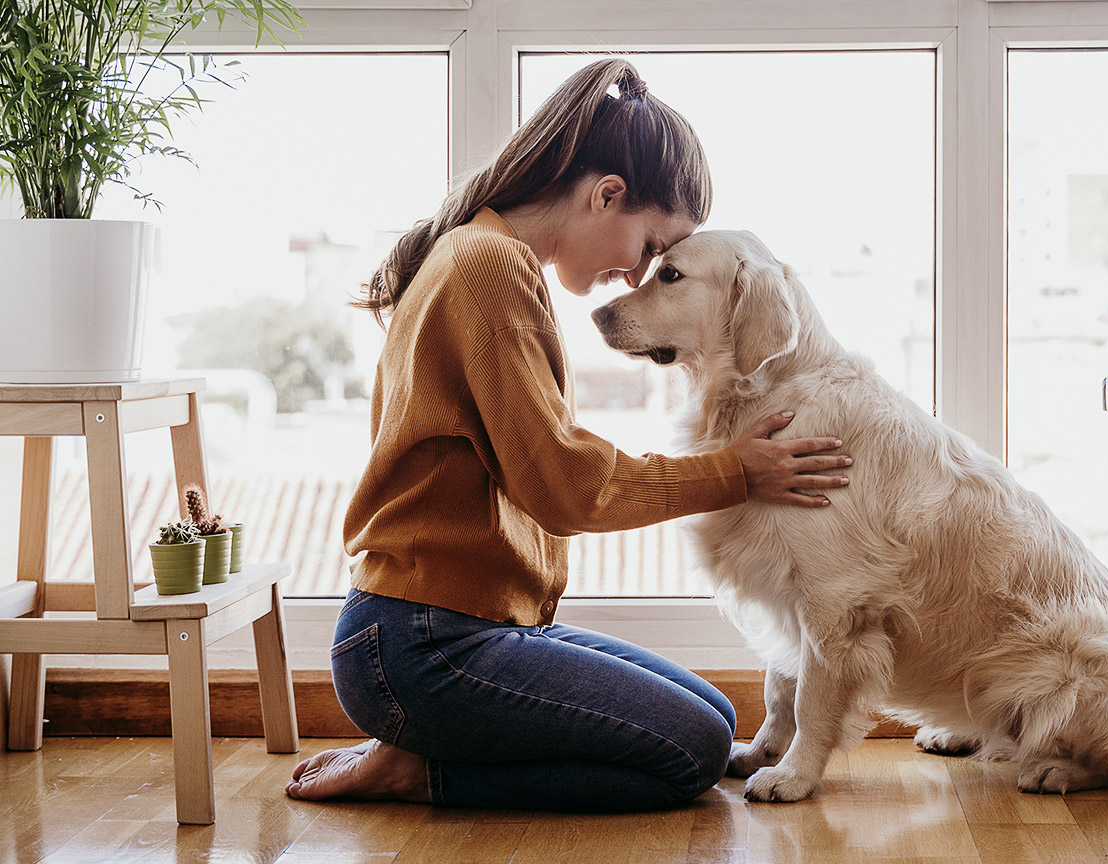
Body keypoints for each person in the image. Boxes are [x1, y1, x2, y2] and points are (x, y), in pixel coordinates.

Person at [284, 59, 849, 811]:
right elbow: (563, 487)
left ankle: (423, 740)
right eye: (651, 247)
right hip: (420, 643)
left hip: (460, 629)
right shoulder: (487, 268)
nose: (637, 274)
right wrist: (733, 471)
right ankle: (420, 768)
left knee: (715, 718)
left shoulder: (486, 255)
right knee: (692, 751)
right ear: (606, 194)